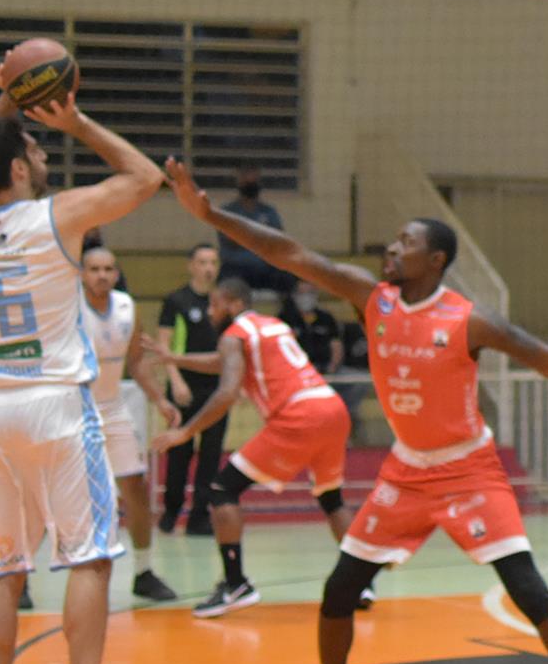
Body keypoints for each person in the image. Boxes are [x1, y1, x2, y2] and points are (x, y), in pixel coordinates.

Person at [161, 158, 548, 664]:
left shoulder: (467, 319)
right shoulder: (370, 298)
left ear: (435, 260)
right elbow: (292, 253)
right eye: (396, 239)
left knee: (531, 592)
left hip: (470, 470)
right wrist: (211, 214)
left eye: (407, 242)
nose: (393, 248)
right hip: (407, 472)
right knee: (339, 592)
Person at [0, 78, 164, 664]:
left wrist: (8, 99)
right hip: (60, 409)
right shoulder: (55, 218)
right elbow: (146, 177)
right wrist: (75, 120)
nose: (42, 154)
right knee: (91, 558)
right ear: (17, 168)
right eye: (34, 148)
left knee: (4, 567)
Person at [146, 276, 356, 618]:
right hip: (330, 408)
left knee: (221, 491)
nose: (211, 312)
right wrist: (174, 358)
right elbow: (223, 361)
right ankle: (359, 581)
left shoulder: (234, 334)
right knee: (331, 497)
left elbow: (226, 391)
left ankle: (235, 584)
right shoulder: (271, 324)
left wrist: (185, 432)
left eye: (215, 304)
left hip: (298, 415)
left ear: (232, 303)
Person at [77, 243, 179, 604]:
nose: (102, 275)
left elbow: (136, 362)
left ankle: (143, 571)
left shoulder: (126, 306)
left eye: (108, 269)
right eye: (94, 269)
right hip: (72, 409)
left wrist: (160, 399)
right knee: (58, 493)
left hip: (111, 406)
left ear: (117, 274)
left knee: (135, 487)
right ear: (82, 273)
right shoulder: (67, 307)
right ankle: (24, 578)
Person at [156, 243, 225, 535]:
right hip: (185, 388)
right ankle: (171, 512)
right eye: (202, 262)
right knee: (179, 452)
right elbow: (164, 345)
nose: (208, 268)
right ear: (191, 266)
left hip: (217, 390)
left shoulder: (222, 302)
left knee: (211, 455)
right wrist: (177, 381)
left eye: (212, 262)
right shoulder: (176, 301)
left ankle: (199, 516)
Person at [216, 165, 289, 294]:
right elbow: (231, 240)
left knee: (288, 276)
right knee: (226, 278)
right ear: (239, 182)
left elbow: (277, 241)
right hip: (236, 268)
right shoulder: (228, 211)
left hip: (265, 267)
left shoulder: (269, 212)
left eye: (254, 180)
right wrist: (261, 237)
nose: (250, 183)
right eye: (246, 180)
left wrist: (244, 235)